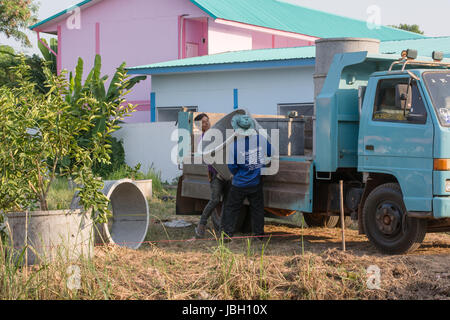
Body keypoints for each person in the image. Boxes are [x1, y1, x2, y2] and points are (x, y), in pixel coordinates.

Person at [221, 114, 271, 242]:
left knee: (232, 209)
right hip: (255, 182)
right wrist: (260, 164)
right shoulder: (261, 139)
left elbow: (232, 166)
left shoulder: (234, 146)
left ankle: (227, 235)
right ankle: (259, 235)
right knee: (257, 209)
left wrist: (239, 173)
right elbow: (271, 153)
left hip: (239, 183)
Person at [194, 113, 228, 238]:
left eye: (207, 121)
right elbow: (207, 159)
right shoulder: (203, 140)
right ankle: (201, 226)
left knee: (227, 201)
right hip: (216, 174)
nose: (207, 123)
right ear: (199, 126)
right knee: (215, 200)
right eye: (203, 122)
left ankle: (222, 228)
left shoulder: (216, 134)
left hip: (226, 172)